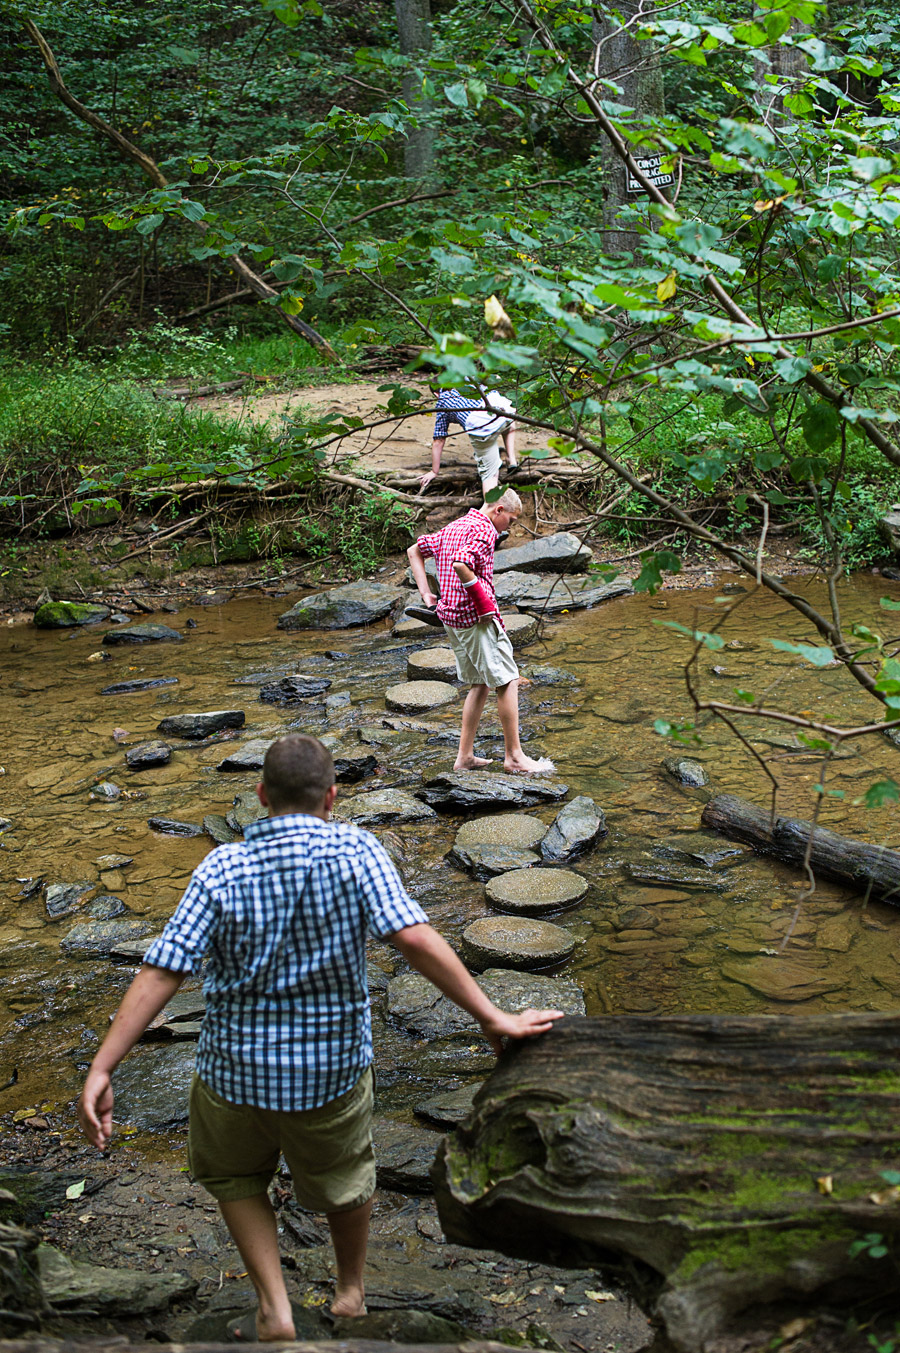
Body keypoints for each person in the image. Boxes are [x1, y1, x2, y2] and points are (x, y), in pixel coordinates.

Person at [77, 735, 563, 1342]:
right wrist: (491, 1016)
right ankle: (351, 1291)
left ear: (260, 797)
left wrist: (103, 1068)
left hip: (234, 1072)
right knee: (346, 1182)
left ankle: (274, 1305)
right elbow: (412, 937)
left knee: (234, 1179)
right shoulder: (357, 851)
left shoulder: (222, 865)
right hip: (328, 1073)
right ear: (332, 797)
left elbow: (162, 969)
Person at [406, 490, 555, 776]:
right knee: (507, 680)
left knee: (480, 683)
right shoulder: (484, 529)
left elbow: (415, 551)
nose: (508, 528)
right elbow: (461, 563)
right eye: (510, 521)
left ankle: (464, 757)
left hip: (452, 618)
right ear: (499, 510)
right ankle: (515, 757)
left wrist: (426, 594)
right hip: (476, 619)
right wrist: (484, 602)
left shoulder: (457, 525)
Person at [420, 385, 517, 495]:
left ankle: (489, 509)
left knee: (490, 475)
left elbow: (439, 440)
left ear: (436, 394)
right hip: (505, 411)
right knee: (509, 424)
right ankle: (512, 460)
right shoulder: (466, 382)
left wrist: (434, 471)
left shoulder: (442, 401)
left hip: (482, 426)